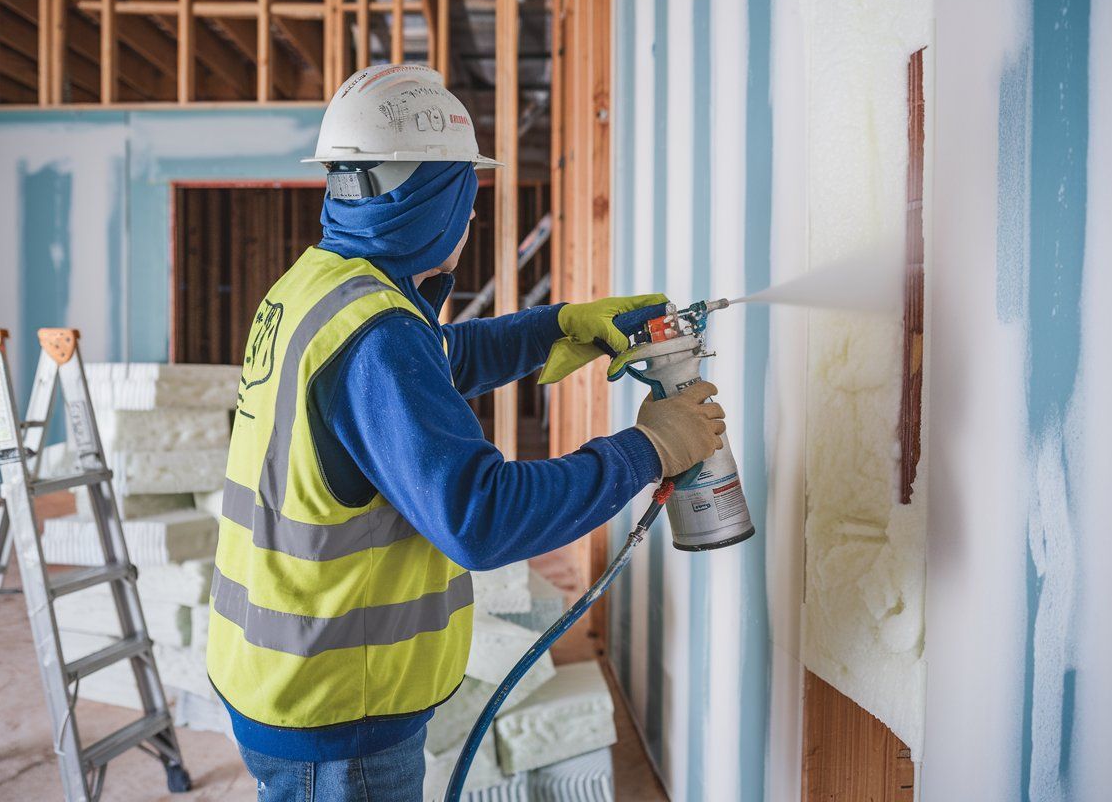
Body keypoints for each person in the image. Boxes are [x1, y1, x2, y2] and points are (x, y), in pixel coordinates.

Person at [207, 64, 725, 802]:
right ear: (439, 200)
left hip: (284, 674)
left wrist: (559, 326)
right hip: (337, 711)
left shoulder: (318, 289)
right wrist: (650, 449)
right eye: (469, 197)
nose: (473, 219)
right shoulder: (376, 336)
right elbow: (481, 517)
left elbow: (429, 365)